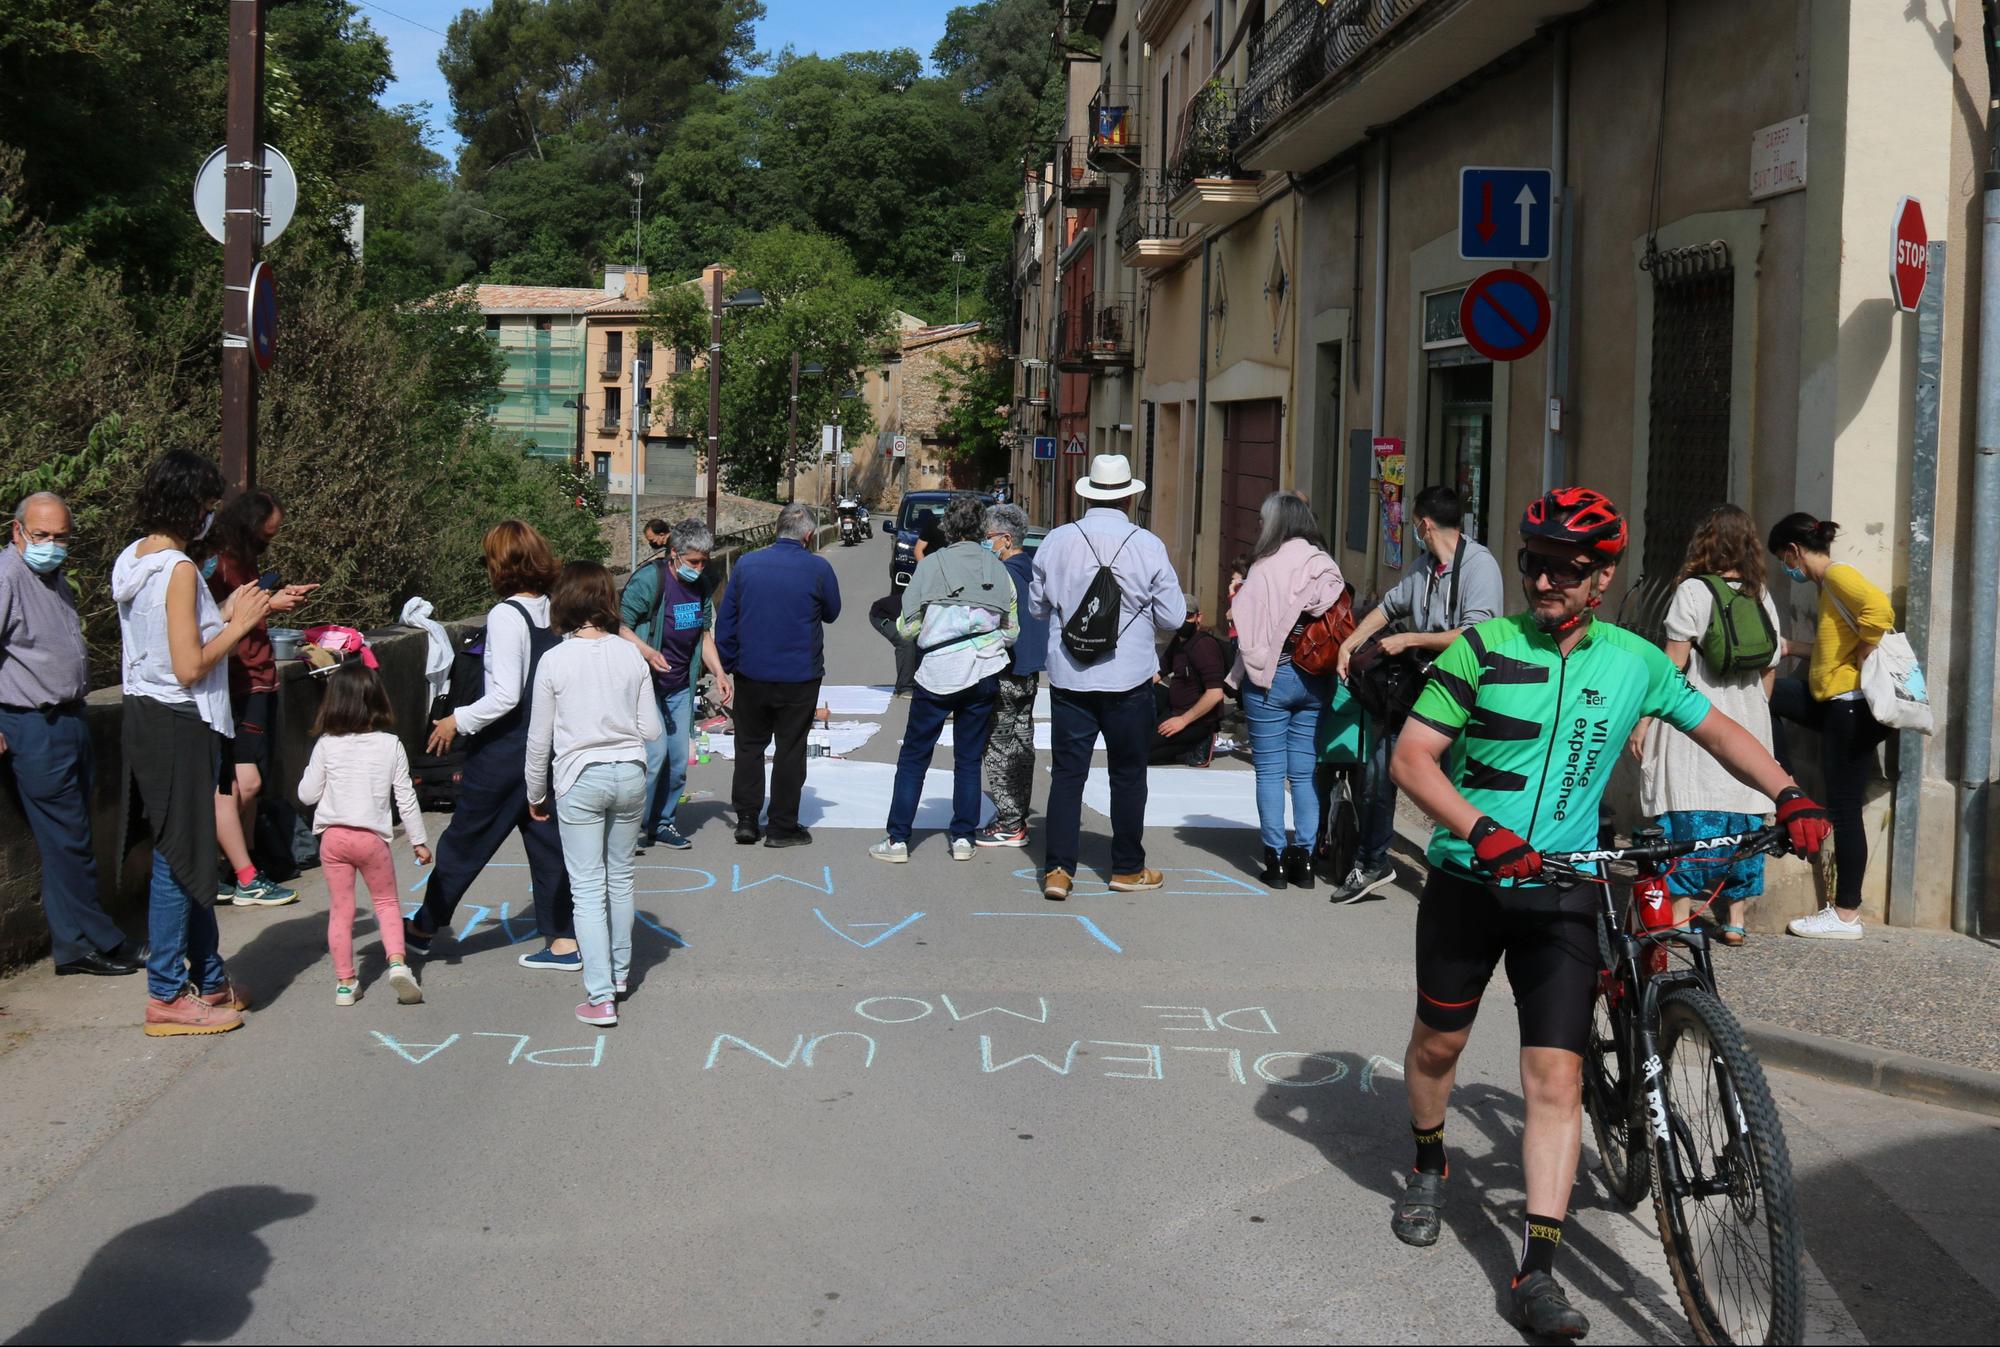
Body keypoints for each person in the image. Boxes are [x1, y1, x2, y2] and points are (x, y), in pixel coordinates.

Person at [1386, 487, 1830, 1339]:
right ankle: (1429, 1158)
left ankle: (1537, 1271)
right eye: (1534, 562)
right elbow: (1413, 759)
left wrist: (1788, 791)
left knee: (1555, 1078)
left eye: (1566, 567)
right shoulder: (1481, 648)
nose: (1545, 578)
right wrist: (1482, 833)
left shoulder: (1635, 661)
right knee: (1438, 1043)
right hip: (1470, 882)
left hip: (1562, 887)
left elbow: (1717, 731)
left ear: (1603, 579)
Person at [113, 450, 272, 1035]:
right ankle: (165, 995)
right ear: (190, 506)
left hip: (147, 715)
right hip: (178, 719)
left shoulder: (133, 559)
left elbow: (170, 638)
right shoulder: (178, 570)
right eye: (206, 505)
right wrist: (238, 626)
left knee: (189, 852)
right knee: (178, 860)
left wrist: (236, 609)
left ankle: (208, 978)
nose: (210, 516)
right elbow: (187, 665)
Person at [407, 521, 579, 971]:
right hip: (547, 747)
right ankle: (562, 940)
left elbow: (505, 694)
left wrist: (455, 720)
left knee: (466, 840)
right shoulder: (553, 608)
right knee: (549, 845)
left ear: (500, 564)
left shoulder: (506, 615)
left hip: (504, 750)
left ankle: (424, 927)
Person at [1332, 485, 1504, 903]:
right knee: (1381, 768)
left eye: (1413, 524)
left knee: (1455, 785)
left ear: (1424, 524)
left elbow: (1475, 635)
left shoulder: (1480, 567)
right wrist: (1349, 643)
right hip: (1418, 692)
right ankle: (1373, 860)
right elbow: (1389, 606)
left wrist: (1411, 639)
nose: (1413, 530)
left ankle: (1458, 871)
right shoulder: (1424, 566)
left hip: (1465, 695)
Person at [1027, 454, 1185, 900]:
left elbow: (1037, 607)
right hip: (1129, 677)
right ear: (1130, 497)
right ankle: (1127, 869)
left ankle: (1058, 870)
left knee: (1068, 774)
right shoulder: (1147, 545)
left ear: (1089, 493)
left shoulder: (1056, 541)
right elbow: (1173, 616)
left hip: (1069, 676)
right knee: (1129, 774)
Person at [1629, 505, 1784, 945]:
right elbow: (1770, 665)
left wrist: (1643, 721)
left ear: (1705, 543)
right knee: (1745, 813)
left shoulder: (1694, 591)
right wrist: (1754, 711)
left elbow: (1672, 667)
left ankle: (1680, 918)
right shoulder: (1760, 595)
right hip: (1750, 719)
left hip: (1694, 720)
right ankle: (1735, 920)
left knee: (1689, 811)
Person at [0, 493, 140, 977]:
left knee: (68, 838)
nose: (53, 545)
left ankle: (73, 946)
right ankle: (102, 939)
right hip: (34, 724)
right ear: (17, 531)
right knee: (69, 840)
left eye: (62, 537)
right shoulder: (7, 576)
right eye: (42, 536)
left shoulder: (52, 577)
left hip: (70, 717)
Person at [526, 562, 663, 1026]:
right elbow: (652, 728)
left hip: (579, 777)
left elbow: (538, 738)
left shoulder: (554, 660)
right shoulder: (630, 655)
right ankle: (621, 974)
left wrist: (535, 791)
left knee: (586, 888)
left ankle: (600, 994)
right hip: (629, 773)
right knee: (620, 878)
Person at [1767, 513, 1893, 941]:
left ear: (1793, 552)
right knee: (1763, 695)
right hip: (1833, 703)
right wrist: (1792, 648)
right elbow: (1832, 644)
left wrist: (1866, 649)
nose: (1786, 568)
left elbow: (1879, 611)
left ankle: (1845, 915)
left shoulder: (1838, 576)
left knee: (1844, 809)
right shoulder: (1827, 585)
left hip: (1852, 709)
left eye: (1783, 559)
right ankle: (1783, 779)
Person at [870, 495, 1017, 864]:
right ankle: (964, 837)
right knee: (968, 758)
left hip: (937, 672)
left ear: (947, 529)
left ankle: (898, 840)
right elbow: (1011, 630)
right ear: (983, 529)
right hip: (983, 670)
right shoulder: (998, 569)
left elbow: (908, 626)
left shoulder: (931, 565)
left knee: (915, 755)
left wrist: (928, 630)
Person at [203, 488, 316, 907]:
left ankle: (243, 867)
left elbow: (249, 607)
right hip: (233, 679)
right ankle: (233, 868)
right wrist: (269, 603)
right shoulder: (213, 562)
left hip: (258, 676)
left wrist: (274, 600)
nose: (268, 543)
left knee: (249, 784)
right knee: (242, 784)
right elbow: (216, 615)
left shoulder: (246, 559)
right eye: (266, 535)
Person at [296, 663, 431, 1007]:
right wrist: (418, 840)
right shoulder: (390, 745)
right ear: (376, 700)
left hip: (334, 839)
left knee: (341, 910)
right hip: (372, 839)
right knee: (386, 904)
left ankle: (345, 983)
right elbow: (405, 796)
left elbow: (307, 795)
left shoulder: (326, 745)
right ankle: (398, 964)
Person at [1228, 494, 1346, 890]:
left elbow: (1243, 623)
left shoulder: (1264, 568)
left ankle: (1275, 859)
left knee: (1269, 772)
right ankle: (1307, 859)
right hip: (1315, 678)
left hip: (1270, 679)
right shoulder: (1324, 564)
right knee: (1305, 770)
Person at [713, 502, 842, 847]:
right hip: (799, 675)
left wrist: (726, 663)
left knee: (749, 745)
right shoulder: (818, 568)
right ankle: (782, 826)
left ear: (776, 529)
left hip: (751, 672)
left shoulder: (746, 564)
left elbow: (726, 618)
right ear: (809, 535)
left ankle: (746, 819)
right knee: (790, 748)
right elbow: (832, 612)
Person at [619, 519, 730, 850]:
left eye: (703, 561)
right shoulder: (649, 582)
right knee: (654, 757)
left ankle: (662, 822)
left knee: (679, 761)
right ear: (673, 554)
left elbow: (704, 634)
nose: (699, 567)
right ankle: (629, 826)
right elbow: (618, 625)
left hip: (681, 684)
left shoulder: (702, 584)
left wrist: (720, 673)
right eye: (692, 561)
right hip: (646, 683)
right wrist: (647, 650)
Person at [977, 503, 1046, 847]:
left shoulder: (1003, 574)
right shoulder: (1033, 567)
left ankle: (1009, 821)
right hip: (1030, 669)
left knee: (1000, 745)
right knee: (1022, 742)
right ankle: (1016, 811)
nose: (985, 543)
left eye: (988, 537)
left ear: (1005, 539)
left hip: (1006, 668)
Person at [1151, 598, 1226, 767]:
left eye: (1188, 616)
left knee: (1140, 753)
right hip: (1174, 709)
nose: (1183, 621)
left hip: (1195, 719)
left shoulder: (1204, 645)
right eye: (1178, 616)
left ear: (1199, 617)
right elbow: (1159, 672)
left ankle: (1198, 742)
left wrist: (1183, 720)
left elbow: (1215, 693)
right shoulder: (1178, 642)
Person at [867, 589, 920, 696]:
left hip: (908, 617)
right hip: (883, 615)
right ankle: (904, 688)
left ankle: (917, 683)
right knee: (906, 642)